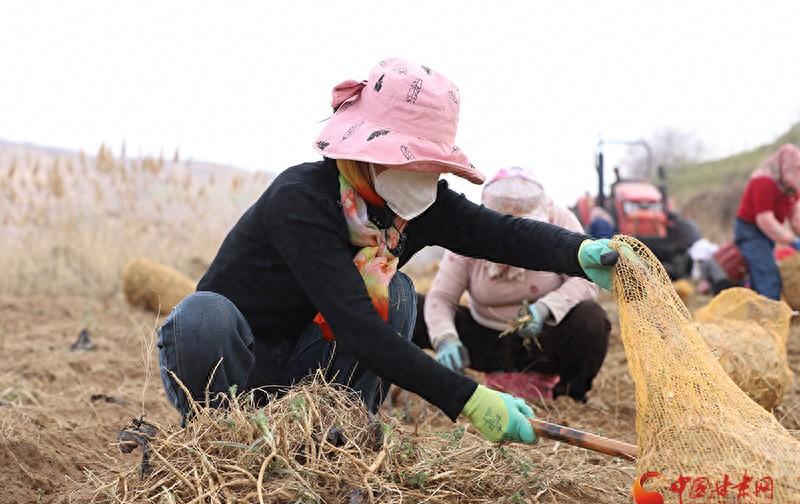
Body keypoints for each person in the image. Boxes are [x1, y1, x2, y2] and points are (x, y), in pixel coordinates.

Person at [157, 58, 620, 446]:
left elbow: (502, 234)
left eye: (430, 163)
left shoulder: (414, 205)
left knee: (396, 291)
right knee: (203, 315)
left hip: (307, 364)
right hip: (242, 362)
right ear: (367, 145)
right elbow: (356, 326)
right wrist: (469, 398)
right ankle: (216, 436)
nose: (423, 174)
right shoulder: (301, 201)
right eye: (411, 159)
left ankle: (344, 431)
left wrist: (580, 252)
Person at [412, 168, 611, 402]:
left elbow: (584, 280)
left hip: (543, 342)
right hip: (487, 342)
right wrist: (445, 338)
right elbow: (442, 296)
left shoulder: (561, 219)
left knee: (591, 317)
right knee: (411, 306)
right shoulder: (472, 225)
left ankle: (569, 395)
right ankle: (440, 384)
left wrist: (544, 309)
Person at [735, 144, 800, 300]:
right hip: (750, 231)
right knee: (768, 276)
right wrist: (793, 241)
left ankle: (758, 314)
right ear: (786, 166)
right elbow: (765, 220)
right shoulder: (763, 181)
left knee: (761, 274)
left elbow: (796, 217)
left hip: (766, 233)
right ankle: (770, 319)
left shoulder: (790, 185)